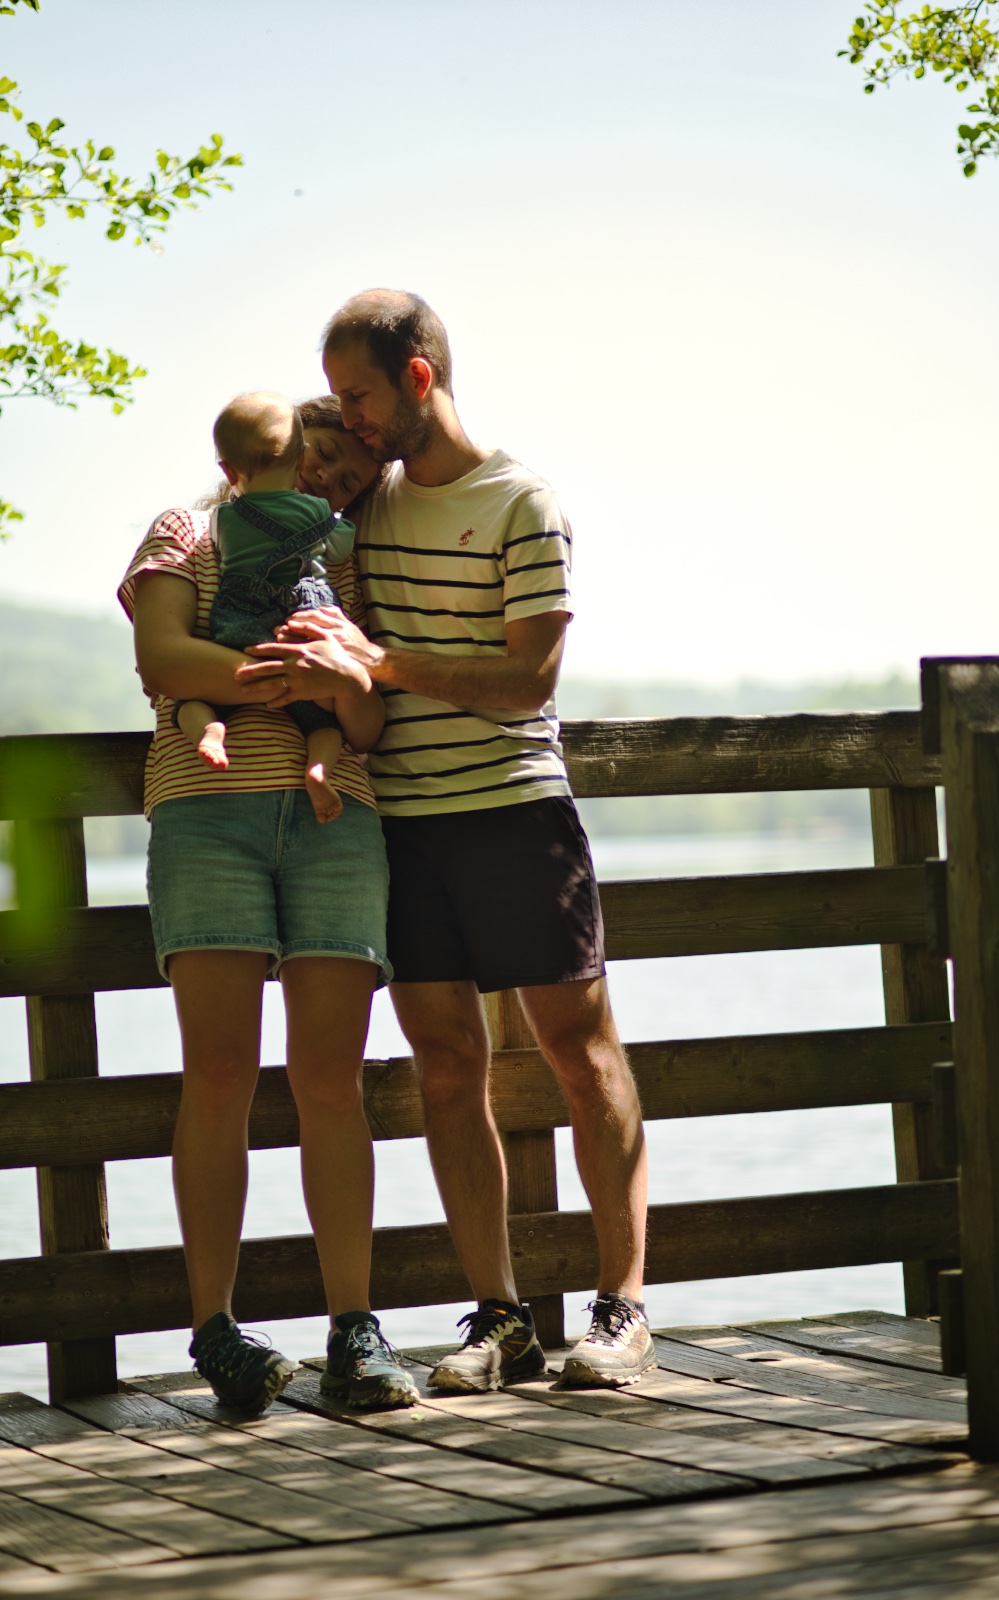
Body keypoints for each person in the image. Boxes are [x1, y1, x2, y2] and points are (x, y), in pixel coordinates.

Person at [240, 292, 654, 1392]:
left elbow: (528, 683)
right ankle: (500, 1318)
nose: (351, 419)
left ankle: (619, 1311)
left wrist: (380, 661)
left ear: (419, 378)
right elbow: (269, 501)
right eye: (338, 400)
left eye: (362, 395)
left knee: (580, 1053)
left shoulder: (523, 500)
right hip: (406, 829)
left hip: (517, 811)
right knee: (445, 1068)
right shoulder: (360, 509)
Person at [120, 394, 419, 1415]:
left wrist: (336, 693)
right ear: (277, 451)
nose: (329, 479)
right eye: (316, 458)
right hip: (208, 819)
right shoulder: (185, 529)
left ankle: (355, 1331)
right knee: (219, 1076)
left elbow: (368, 710)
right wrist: (297, 676)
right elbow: (164, 657)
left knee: (332, 1080)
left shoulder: (340, 554)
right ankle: (216, 1331)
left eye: (345, 470)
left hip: (340, 822)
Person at [175, 391, 363, 825]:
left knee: (194, 700)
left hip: (242, 616)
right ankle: (317, 770)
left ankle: (212, 728)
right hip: (302, 626)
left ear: (227, 468)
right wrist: (340, 523)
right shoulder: (318, 509)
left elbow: (223, 552)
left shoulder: (223, 517)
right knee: (323, 726)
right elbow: (338, 549)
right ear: (301, 458)